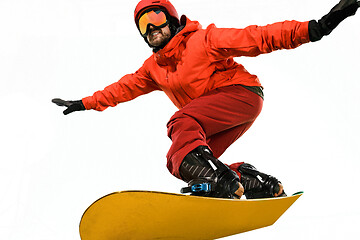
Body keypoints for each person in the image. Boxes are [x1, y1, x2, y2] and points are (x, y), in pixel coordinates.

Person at [52, 0, 359, 199]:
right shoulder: (153, 69)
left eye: (156, 18)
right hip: (214, 117)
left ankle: (220, 179)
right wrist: (85, 103)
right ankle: (252, 182)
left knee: (182, 122)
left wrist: (315, 28)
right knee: (180, 161)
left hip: (240, 94)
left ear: (172, 20)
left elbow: (256, 37)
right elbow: (121, 89)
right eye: (143, 26)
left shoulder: (202, 40)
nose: (152, 29)